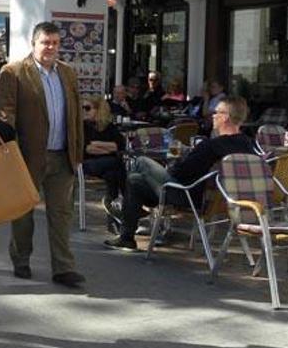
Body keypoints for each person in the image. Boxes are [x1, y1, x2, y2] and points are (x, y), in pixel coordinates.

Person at [0, 21, 85, 287]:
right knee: (23, 213)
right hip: (28, 156)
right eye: (45, 42)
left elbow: (76, 114)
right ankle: (21, 259)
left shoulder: (67, 73)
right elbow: (4, 113)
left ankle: (63, 268)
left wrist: (77, 151)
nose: (51, 47)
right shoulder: (13, 72)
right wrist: (9, 151)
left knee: (61, 214)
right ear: (33, 44)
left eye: (55, 43)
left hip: (62, 155)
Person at [104, 96, 258, 251]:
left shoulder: (211, 146)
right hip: (221, 200)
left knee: (141, 162)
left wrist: (176, 163)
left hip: (187, 196)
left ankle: (123, 208)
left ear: (225, 117)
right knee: (134, 180)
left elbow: (181, 174)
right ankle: (127, 237)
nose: (213, 115)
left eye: (216, 112)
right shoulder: (248, 145)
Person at [81, 96, 126, 233]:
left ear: (99, 109)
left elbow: (119, 145)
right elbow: (87, 148)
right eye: (83, 108)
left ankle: (113, 221)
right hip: (88, 163)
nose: (84, 111)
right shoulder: (83, 126)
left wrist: (97, 145)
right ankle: (129, 204)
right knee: (118, 163)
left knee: (112, 175)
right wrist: (107, 147)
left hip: (107, 165)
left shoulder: (109, 127)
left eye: (88, 108)